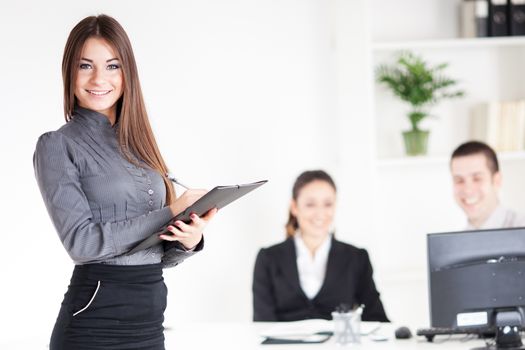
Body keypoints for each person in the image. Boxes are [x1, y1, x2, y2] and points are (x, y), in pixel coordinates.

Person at [33, 15, 217, 350]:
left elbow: (155, 254)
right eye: (85, 65)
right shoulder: (57, 146)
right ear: (69, 72)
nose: (99, 78)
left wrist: (188, 240)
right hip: (94, 325)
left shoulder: (140, 143)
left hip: (149, 323)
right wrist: (172, 211)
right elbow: (82, 244)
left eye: (112, 66)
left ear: (127, 72)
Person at [252, 170, 389, 322]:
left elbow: (377, 319)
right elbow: (262, 324)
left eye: (328, 204)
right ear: (294, 207)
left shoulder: (356, 258)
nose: (320, 213)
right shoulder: (268, 258)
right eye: (310, 204)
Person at [450, 141, 525, 230]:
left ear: (497, 181)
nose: (468, 190)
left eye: (477, 179)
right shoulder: (457, 241)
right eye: (459, 180)